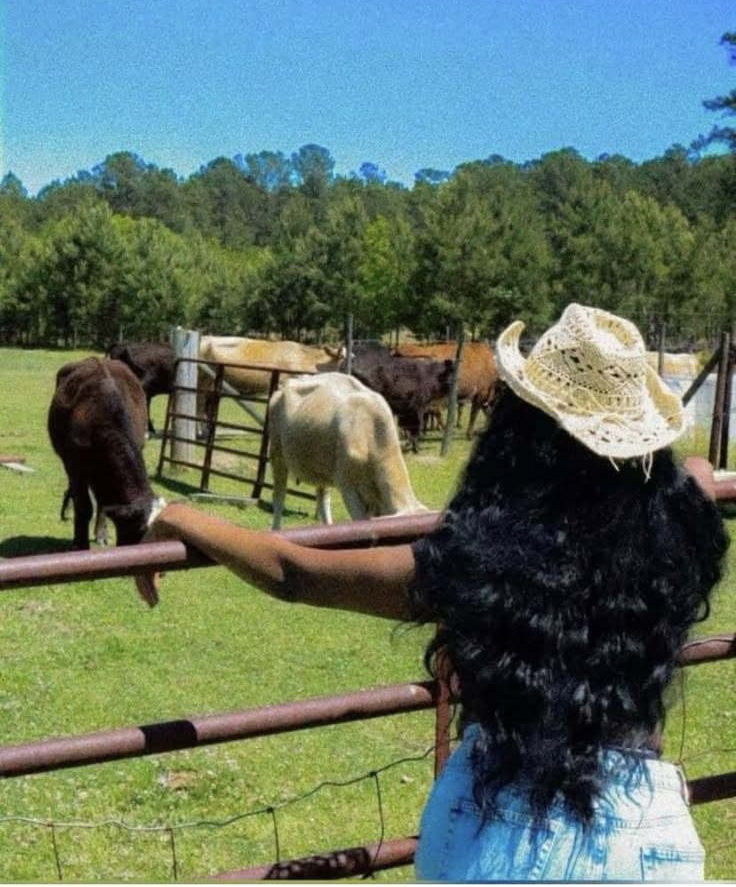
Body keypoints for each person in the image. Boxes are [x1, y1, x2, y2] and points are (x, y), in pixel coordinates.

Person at [137, 304, 727, 882]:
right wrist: (686, 477)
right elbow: (697, 473)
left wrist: (177, 514)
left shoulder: (482, 561)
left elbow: (295, 572)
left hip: (496, 832)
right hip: (648, 838)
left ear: (520, 432)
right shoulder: (681, 532)